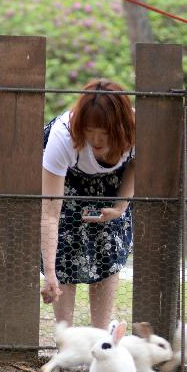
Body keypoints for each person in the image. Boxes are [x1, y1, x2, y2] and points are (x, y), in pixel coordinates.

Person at [40, 79, 136, 329]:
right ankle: (66, 340)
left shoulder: (138, 130)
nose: (96, 139)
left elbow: (138, 164)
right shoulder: (63, 137)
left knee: (109, 242)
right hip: (68, 176)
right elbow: (50, 212)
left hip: (113, 179)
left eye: (104, 133)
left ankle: (102, 338)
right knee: (65, 242)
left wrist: (121, 207)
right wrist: (49, 273)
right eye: (90, 131)